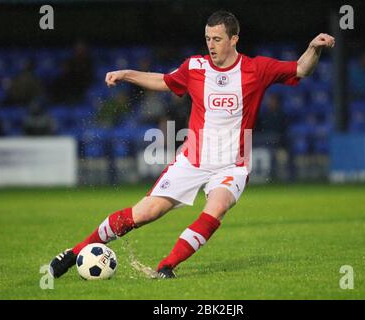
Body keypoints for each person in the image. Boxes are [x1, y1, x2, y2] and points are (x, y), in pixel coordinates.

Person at [49, 10, 334, 279]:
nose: (211, 45)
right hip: (192, 159)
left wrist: (313, 48)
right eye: (208, 38)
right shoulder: (195, 67)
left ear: (234, 39)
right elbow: (164, 80)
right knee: (146, 212)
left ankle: (167, 266)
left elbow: (300, 69)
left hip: (232, 164)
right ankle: (75, 253)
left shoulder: (255, 68)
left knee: (217, 206)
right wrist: (127, 74)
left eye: (218, 39)